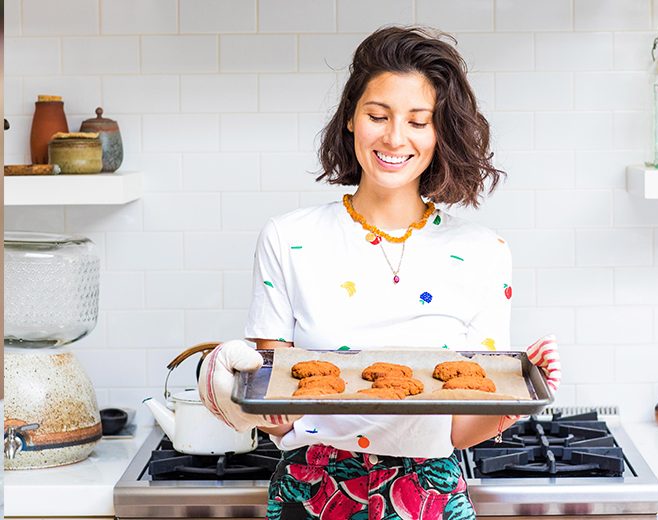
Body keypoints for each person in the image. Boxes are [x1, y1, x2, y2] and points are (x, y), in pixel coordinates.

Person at [199, 26, 562, 520]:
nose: (394, 137)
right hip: (312, 489)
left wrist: (516, 398)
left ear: (440, 133)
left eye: (418, 121)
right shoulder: (290, 238)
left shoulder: (483, 252)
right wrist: (235, 389)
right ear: (351, 119)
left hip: (430, 494)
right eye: (378, 115)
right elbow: (278, 408)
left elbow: (458, 430)